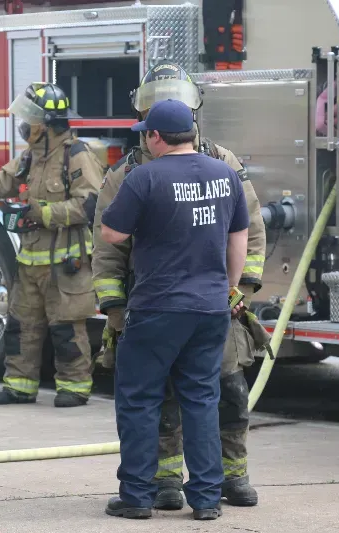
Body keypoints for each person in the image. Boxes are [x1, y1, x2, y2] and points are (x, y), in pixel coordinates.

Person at [92, 62, 268, 510]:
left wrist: (240, 293)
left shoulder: (217, 163)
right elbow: (107, 251)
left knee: (222, 394)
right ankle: (172, 484)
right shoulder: (128, 173)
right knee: (185, 399)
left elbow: (252, 234)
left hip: (177, 305)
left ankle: (228, 478)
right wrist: (114, 306)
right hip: (199, 303)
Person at [0, 82, 104, 408]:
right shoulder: (32, 156)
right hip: (31, 260)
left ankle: (74, 388)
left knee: (66, 330)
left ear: (47, 123)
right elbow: (2, 181)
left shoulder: (77, 156)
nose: (23, 125)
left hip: (66, 264)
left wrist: (42, 213)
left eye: (30, 118)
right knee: (21, 327)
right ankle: (19, 386)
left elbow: (89, 205)